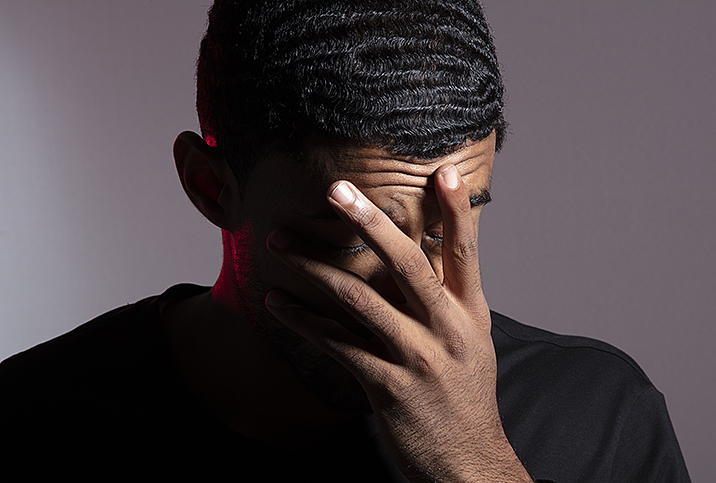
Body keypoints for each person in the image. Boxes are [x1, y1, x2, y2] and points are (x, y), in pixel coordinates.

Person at [0, 1, 690, 481]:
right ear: (211, 187)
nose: (420, 290)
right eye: (358, 236)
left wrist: (475, 465)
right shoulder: (32, 419)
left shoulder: (600, 412)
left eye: (455, 220)